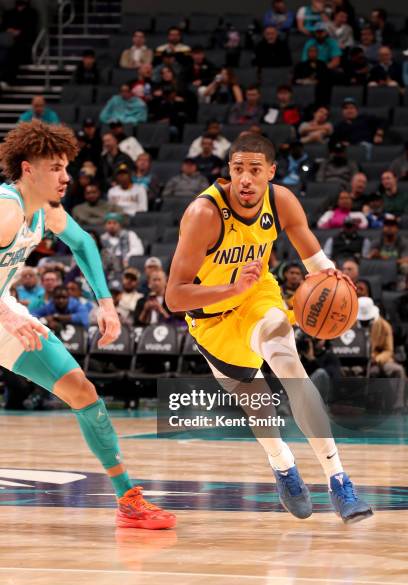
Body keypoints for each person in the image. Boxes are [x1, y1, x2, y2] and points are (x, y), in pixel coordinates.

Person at [166, 133, 372, 523]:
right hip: (211, 320)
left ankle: (338, 479)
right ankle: (283, 466)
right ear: (229, 171)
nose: (245, 178)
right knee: (257, 404)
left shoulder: (281, 201)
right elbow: (174, 297)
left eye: (255, 170)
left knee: (288, 365)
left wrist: (335, 285)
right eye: (238, 169)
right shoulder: (203, 214)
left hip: (258, 298)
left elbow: (315, 260)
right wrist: (231, 287)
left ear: (271, 173)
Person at [0, 120, 175, 528]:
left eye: (66, 167)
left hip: (2, 308)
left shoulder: (44, 210)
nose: (66, 177)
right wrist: (7, 314)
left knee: (81, 389)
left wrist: (106, 304)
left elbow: (83, 243)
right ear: (28, 170)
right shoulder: (6, 211)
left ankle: (128, 499)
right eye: (55, 168)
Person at [358, 297, 406, 408]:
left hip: (381, 359)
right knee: (366, 371)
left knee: (398, 370)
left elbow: (389, 350)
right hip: (359, 360)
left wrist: (377, 359)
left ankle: (398, 406)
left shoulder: (385, 326)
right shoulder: (352, 325)